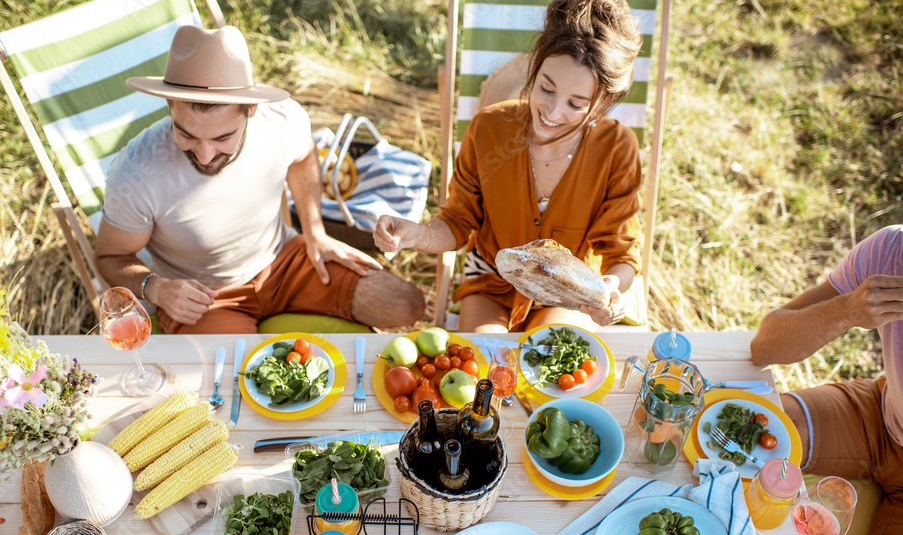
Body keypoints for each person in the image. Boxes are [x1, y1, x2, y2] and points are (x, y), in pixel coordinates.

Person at [94, 25, 424, 334]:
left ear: (251, 108)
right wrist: (157, 287)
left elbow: (304, 155)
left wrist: (315, 232)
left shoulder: (283, 119)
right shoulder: (136, 172)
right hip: (205, 298)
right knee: (238, 384)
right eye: (187, 135)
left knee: (406, 303)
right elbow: (110, 258)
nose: (205, 155)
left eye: (222, 138)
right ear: (169, 104)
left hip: (284, 261)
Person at [373, 0, 643, 333]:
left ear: (602, 103)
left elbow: (622, 253)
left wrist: (612, 288)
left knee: (550, 362)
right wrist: (417, 234)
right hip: (492, 278)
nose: (553, 112)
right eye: (546, 87)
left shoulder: (617, 149)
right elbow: (458, 222)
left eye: (575, 104)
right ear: (535, 67)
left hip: (571, 289)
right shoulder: (488, 129)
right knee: (488, 363)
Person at [751, 224, 903, 535]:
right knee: (749, 431)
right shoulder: (897, 250)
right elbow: (766, 345)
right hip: (881, 415)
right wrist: (845, 310)